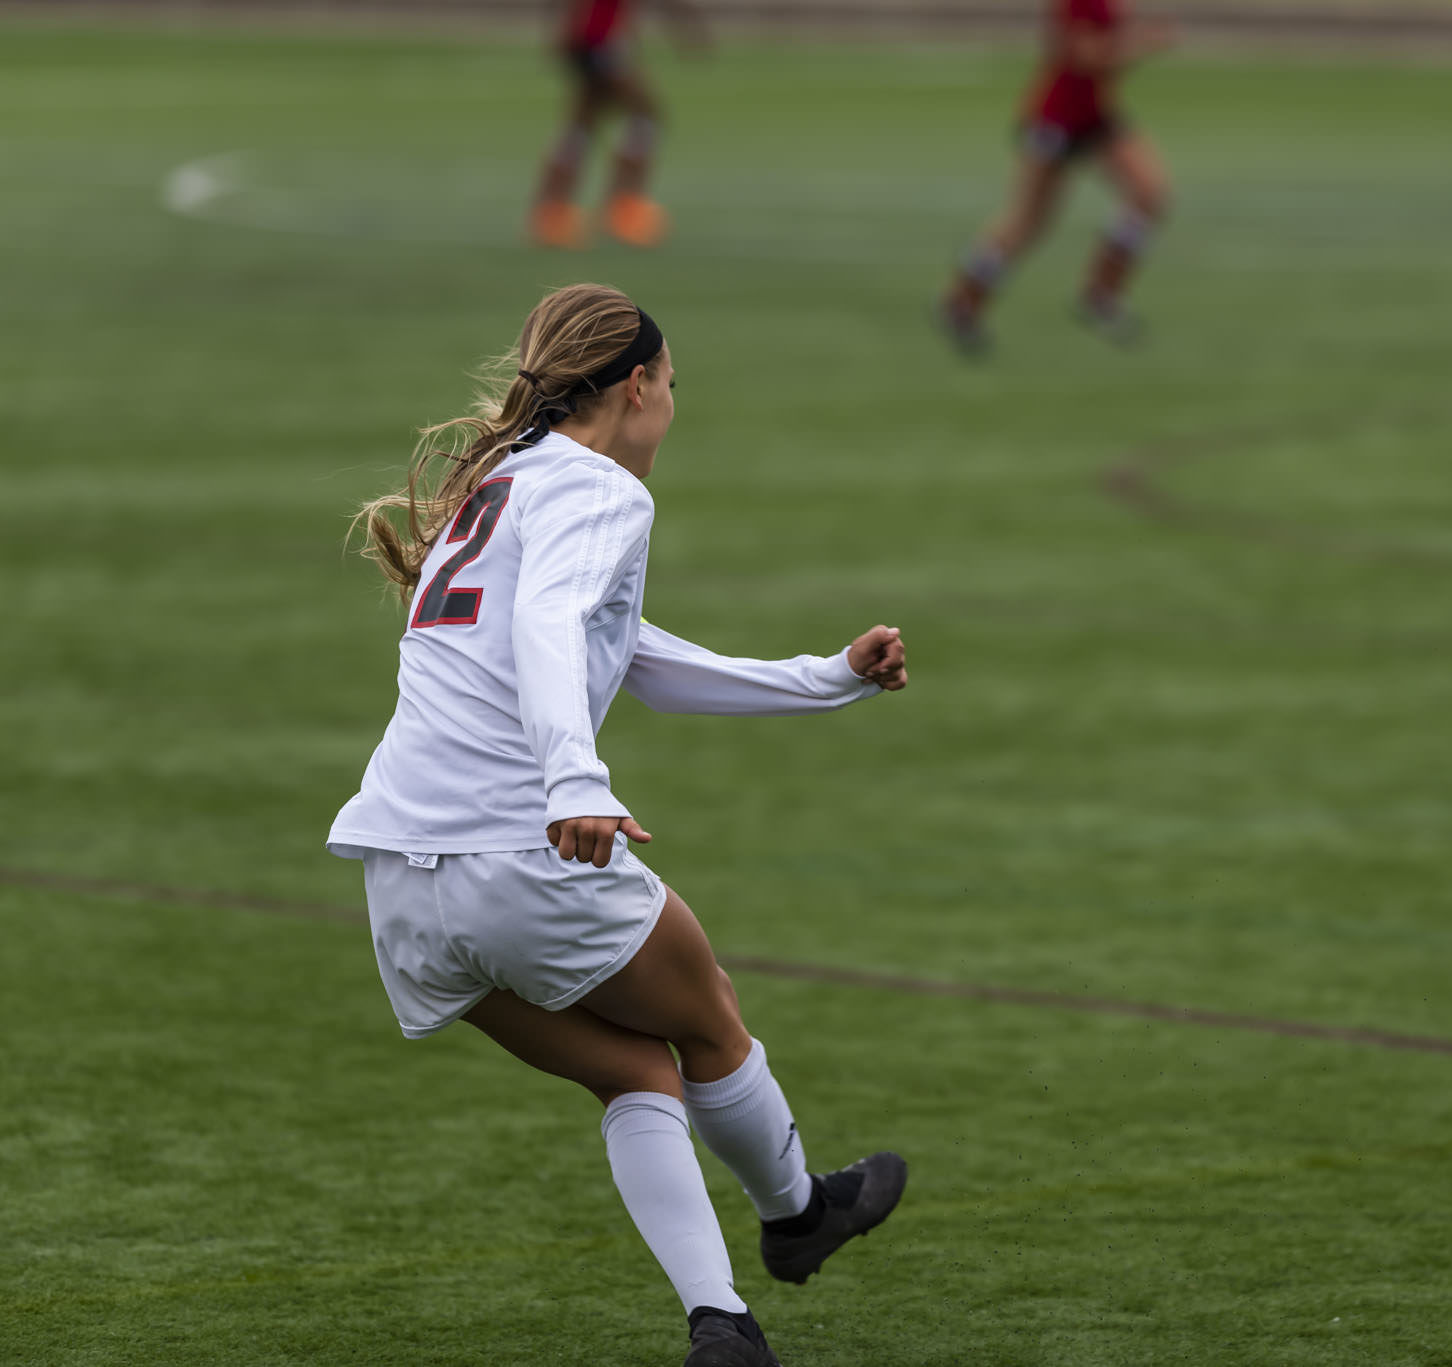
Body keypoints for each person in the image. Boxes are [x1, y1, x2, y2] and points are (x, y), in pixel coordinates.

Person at [332, 283, 908, 1367]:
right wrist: (572, 784)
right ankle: (797, 1215)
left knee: (638, 1074)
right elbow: (551, 624)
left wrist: (826, 677)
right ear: (634, 386)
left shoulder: (493, 482)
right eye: (674, 387)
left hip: (398, 879)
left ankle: (724, 1325)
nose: (671, 410)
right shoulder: (601, 490)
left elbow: (629, 655)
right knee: (711, 1024)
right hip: (521, 849)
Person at [937, 0, 1176, 354]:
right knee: (1026, 223)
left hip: (1095, 116)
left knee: (1150, 193)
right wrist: (1142, 45)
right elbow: (1085, 57)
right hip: (1058, 120)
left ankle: (1101, 292)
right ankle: (962, 300)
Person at [531, 0, 708, 249]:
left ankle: (552, 215)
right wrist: (689, 30)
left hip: (592, 40)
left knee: (584, 121)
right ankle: (622, 212)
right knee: (644, 115)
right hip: (599, 41)